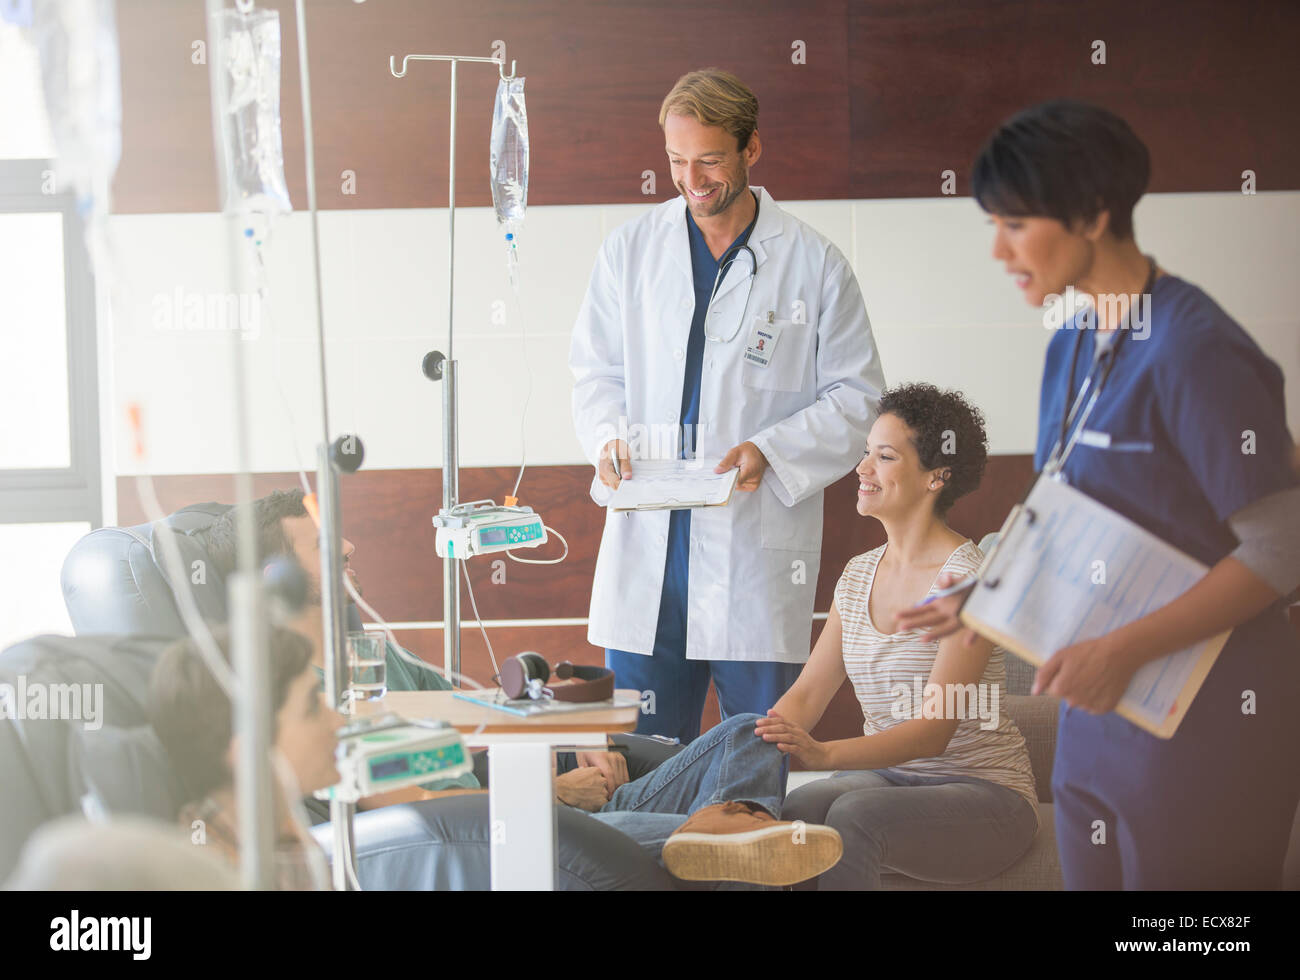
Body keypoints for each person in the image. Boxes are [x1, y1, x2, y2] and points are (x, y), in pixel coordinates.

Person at [897, 100, 1300, 889]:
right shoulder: (1072, 345)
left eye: (1015, 223)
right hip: (1097, 714)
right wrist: (990, 591)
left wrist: (1124, 650)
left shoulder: (1198, 350)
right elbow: (1065, 513)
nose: (998, 249)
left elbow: (1284, 545)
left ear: (1092, 215)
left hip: (1208, 719)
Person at [570, 67, 885, 742]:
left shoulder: (814, 262)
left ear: (751, 150)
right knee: (639, 764)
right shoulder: (629, 252)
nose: (693, 179)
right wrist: (606, 438)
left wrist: (768, 451)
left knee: (754, 758)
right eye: (678, 162)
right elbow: (594, 373)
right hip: (649, 547)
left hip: (753, 548)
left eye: (710, 160)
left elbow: (858, 398)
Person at [150, 627, 844, 889]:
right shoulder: (258, 868)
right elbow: (430, 820)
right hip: (493, 831)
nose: (337, 717)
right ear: (246, 749)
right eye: (311, 707)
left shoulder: (290, 844)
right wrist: (535, 801)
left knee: (755, 728)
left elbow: (477, 706)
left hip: (506, 812)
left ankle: (734, 821)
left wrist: (566, 743)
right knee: (739, 851)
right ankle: (726, 829)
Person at [759, 384, 1039, 889]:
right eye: (866, 453)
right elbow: (808, 693)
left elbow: (934, 732)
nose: (862, 469)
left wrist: (825, 755)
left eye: (883, 457)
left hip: (986, 796)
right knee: (801, 807)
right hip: (895, 781)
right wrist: (754, 742)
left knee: (855, 816)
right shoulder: (858, 573)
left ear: (937, 476)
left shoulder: (965, 581)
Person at [149, 626, 340, 890]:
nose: (338, 722)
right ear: (249, 754)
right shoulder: (206, 878)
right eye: (312, 707)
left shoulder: (284, 837)